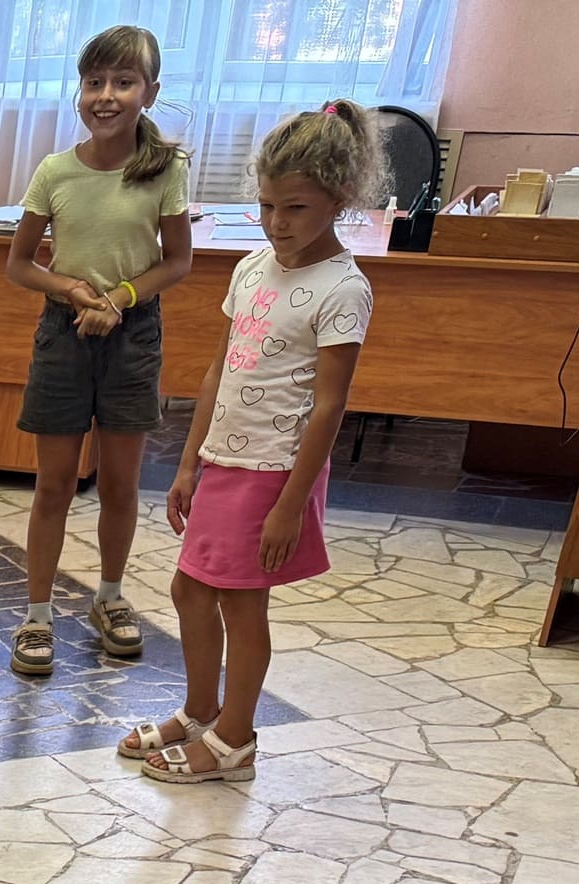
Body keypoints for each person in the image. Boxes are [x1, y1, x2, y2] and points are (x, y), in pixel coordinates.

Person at [126, 102, 379, 785]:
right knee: (189, 590)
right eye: (266, 206)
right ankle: (200, 710)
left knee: (240, 602)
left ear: (338, 199)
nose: (276, 223)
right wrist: (189, 462)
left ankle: (235, 740)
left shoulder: (342, 288)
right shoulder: (250, 269)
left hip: (274, 470)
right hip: (223, 460)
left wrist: (290, 505)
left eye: (295, 208)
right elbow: (221, 369)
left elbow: (330, 405)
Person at [5, 25, 194, 681]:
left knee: (118, 484)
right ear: (79, 91)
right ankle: (36, 614)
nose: (105, 95)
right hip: (63, 336)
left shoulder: (165, 170)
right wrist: (70, 290)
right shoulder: (55, 171)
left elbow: (177, 261)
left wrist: (117, 298)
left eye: (122, 82)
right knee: (54, 484)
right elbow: (19, 264)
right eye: (93, 82)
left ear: (149, 93)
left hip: (132, 336)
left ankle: (109, 598)